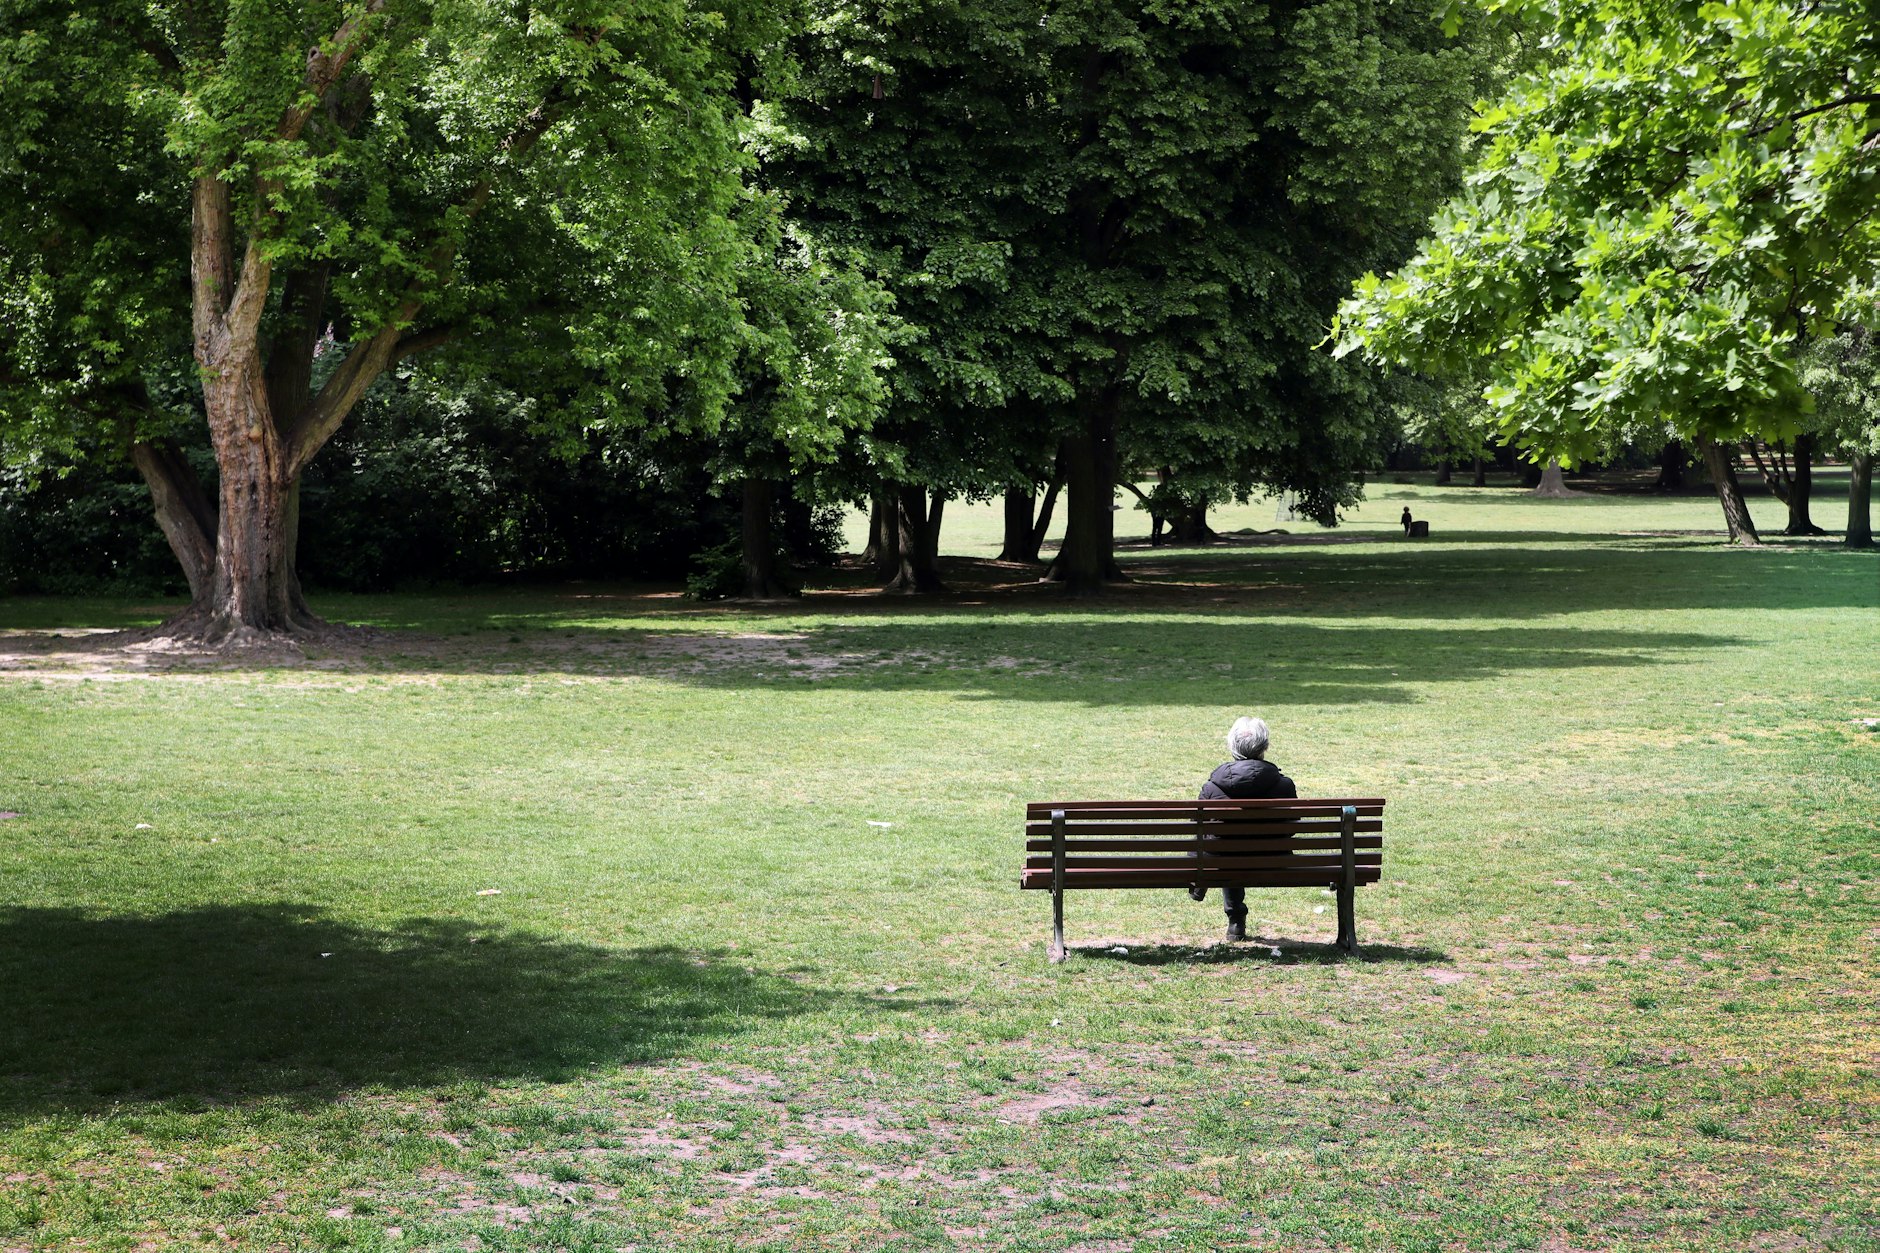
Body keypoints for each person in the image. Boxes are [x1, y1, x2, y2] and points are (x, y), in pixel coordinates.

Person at [1189, 715, 1297, 941]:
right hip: (1274, 859)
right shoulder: (1284, 785)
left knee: (1218, 846)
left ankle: (1222, 904)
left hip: (1223, 861)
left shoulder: (1212, 787)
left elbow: (1197, 829)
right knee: (1226, 846)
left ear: (1233, 747)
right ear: (1264, 746)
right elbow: (1293, 825)